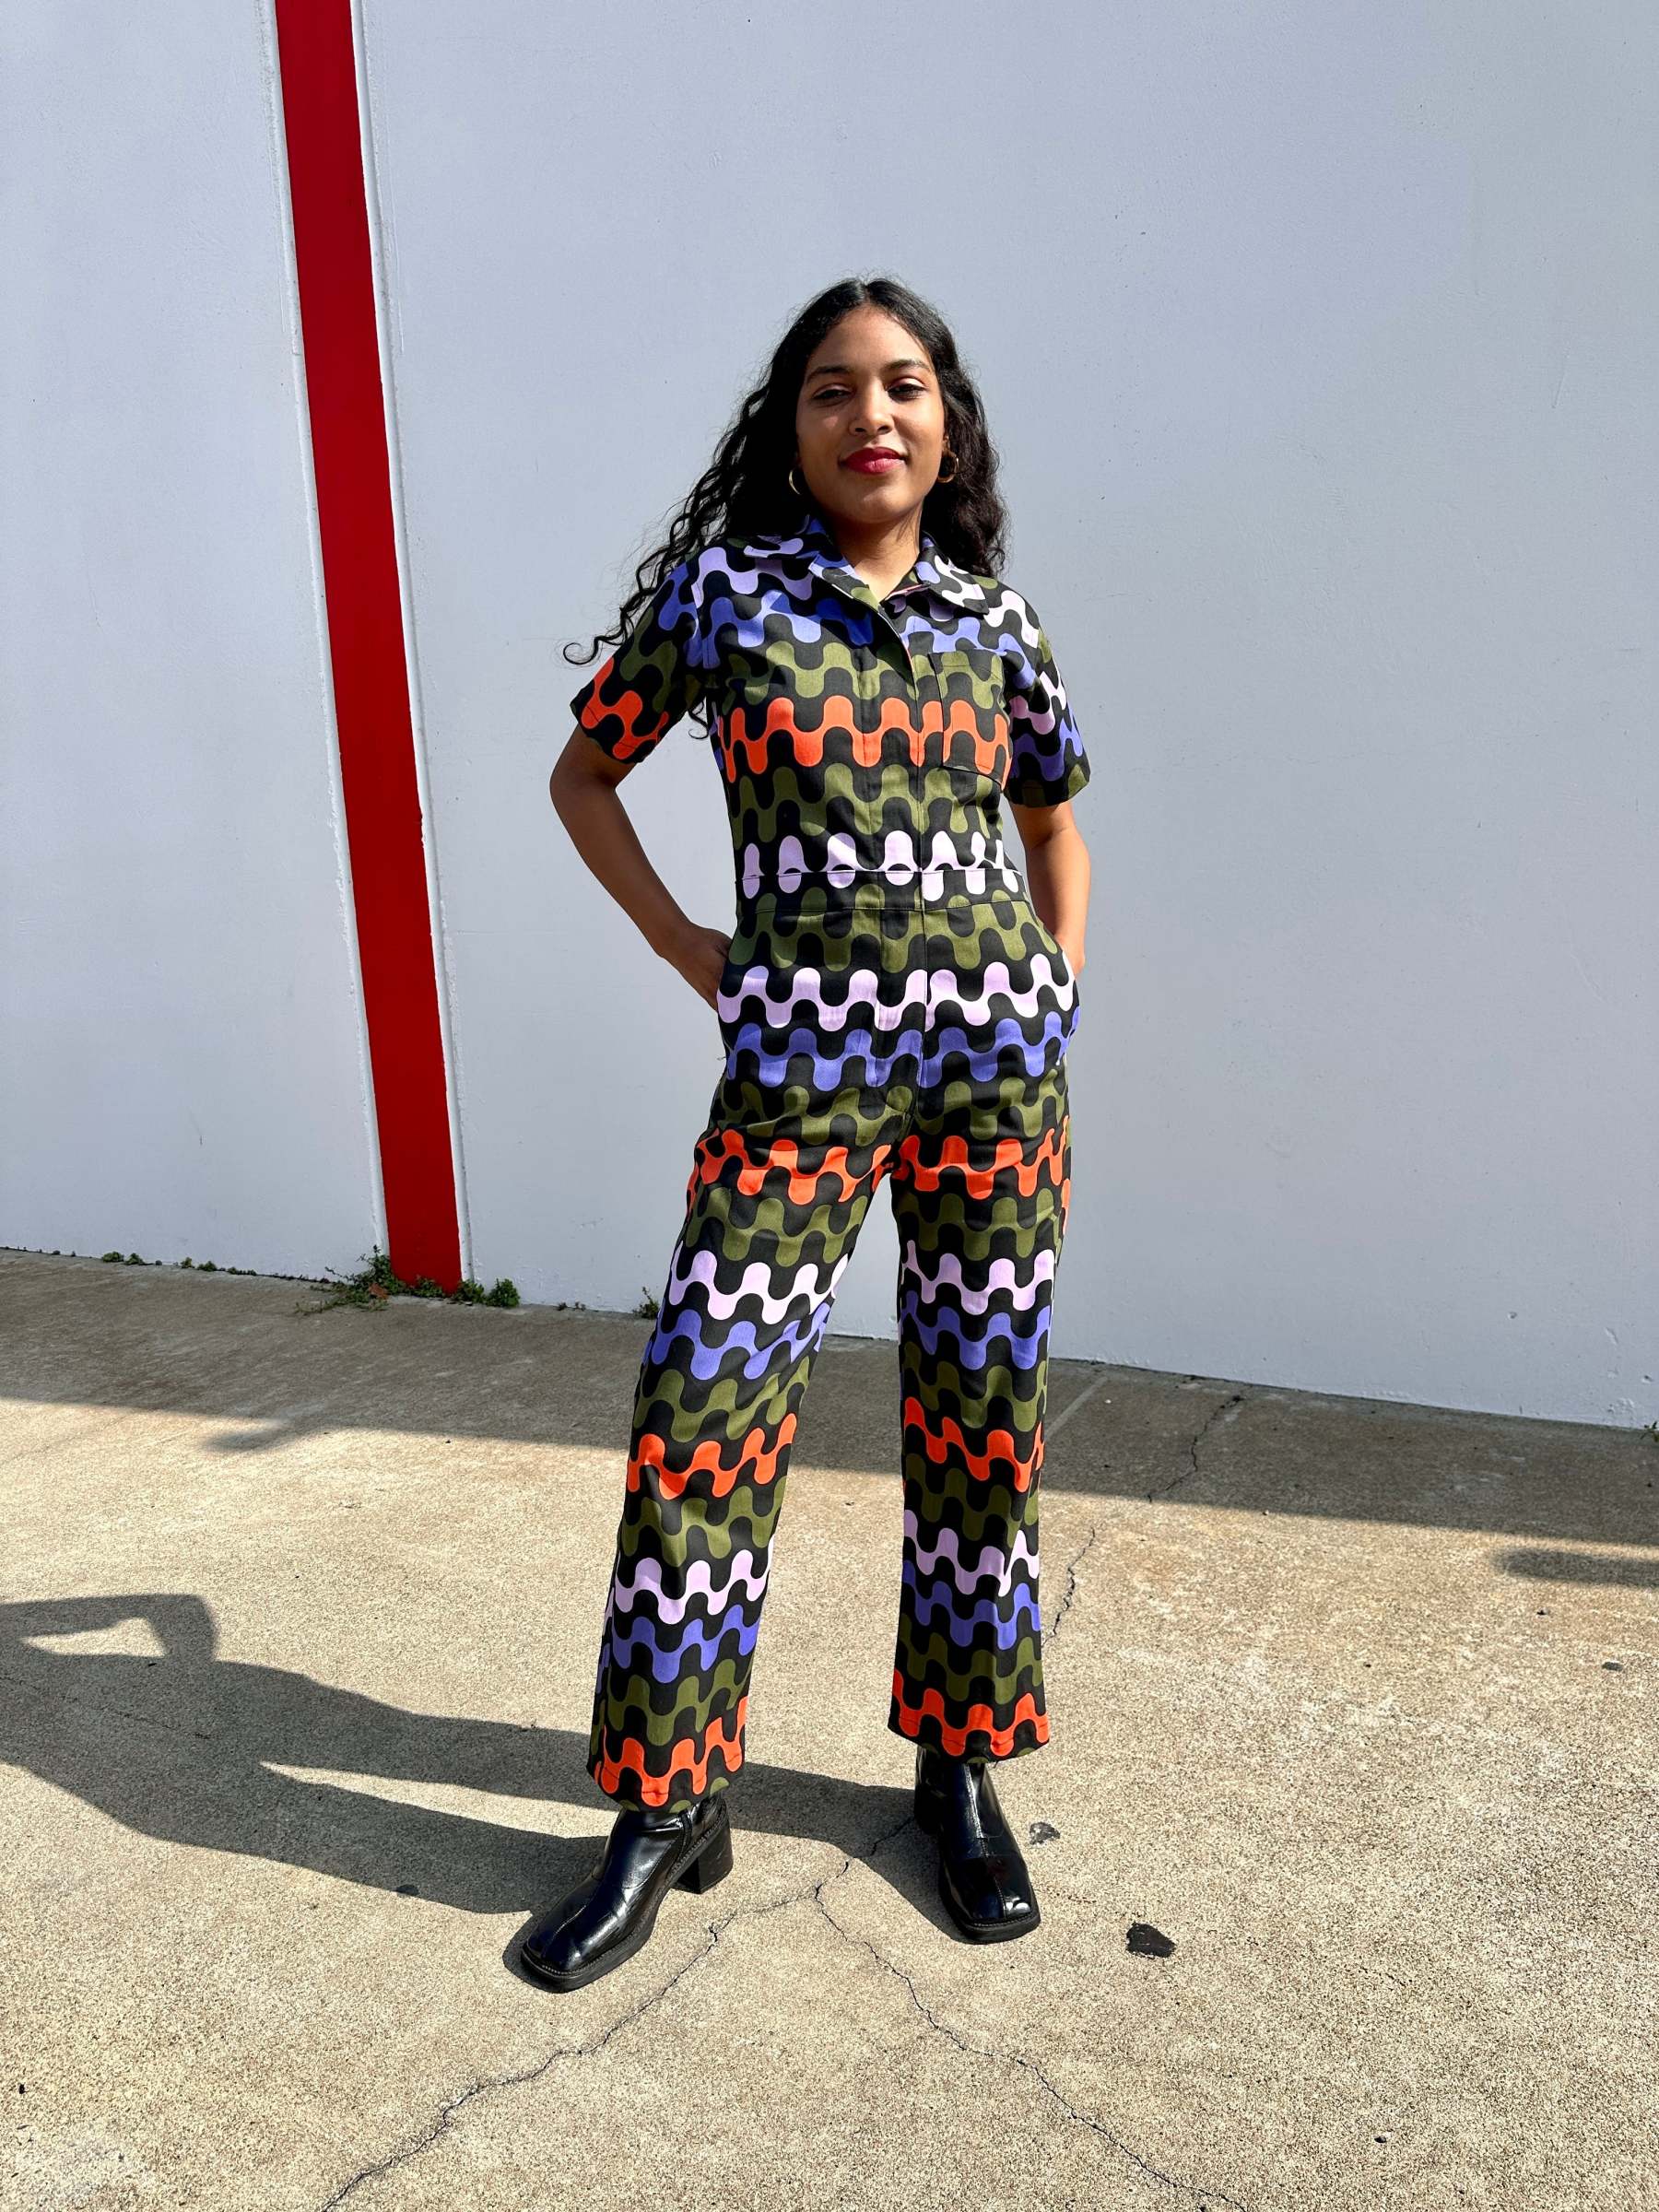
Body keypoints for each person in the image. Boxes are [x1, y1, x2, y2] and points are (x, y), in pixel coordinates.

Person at [525, 276, 1092, 1993]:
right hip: (797, 1075)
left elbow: (1055, 817)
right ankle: (668, 1804)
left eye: (904, 385)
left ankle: (959, 1769)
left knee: (981, 1419)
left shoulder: (996, 622)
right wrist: (687, 946)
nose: (872, 415)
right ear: (794, 428)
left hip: (994, 1073)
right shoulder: (728, 598)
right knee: (704, 1408)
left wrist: (1056, 981)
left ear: (947, 424)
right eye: (835, 389)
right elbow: (583, 777)